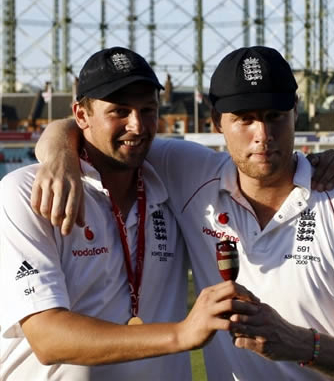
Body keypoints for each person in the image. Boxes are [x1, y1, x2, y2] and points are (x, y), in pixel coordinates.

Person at [29, 47, 334, 381]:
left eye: (274, 116)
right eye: (244, 119)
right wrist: (60, 156)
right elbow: (95, 130)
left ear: (295, 110)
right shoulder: (190, 173)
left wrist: (302, 346)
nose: (262, 136)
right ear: (216, 121)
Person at [0, 47, 254, 381]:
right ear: (81, 115)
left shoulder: (171, 176)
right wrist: (182, 333)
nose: (136, 125)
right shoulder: (26, 191)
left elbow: (257, 167)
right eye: (119, 111)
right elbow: (47, 338)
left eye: (147, 110)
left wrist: (316, 164)